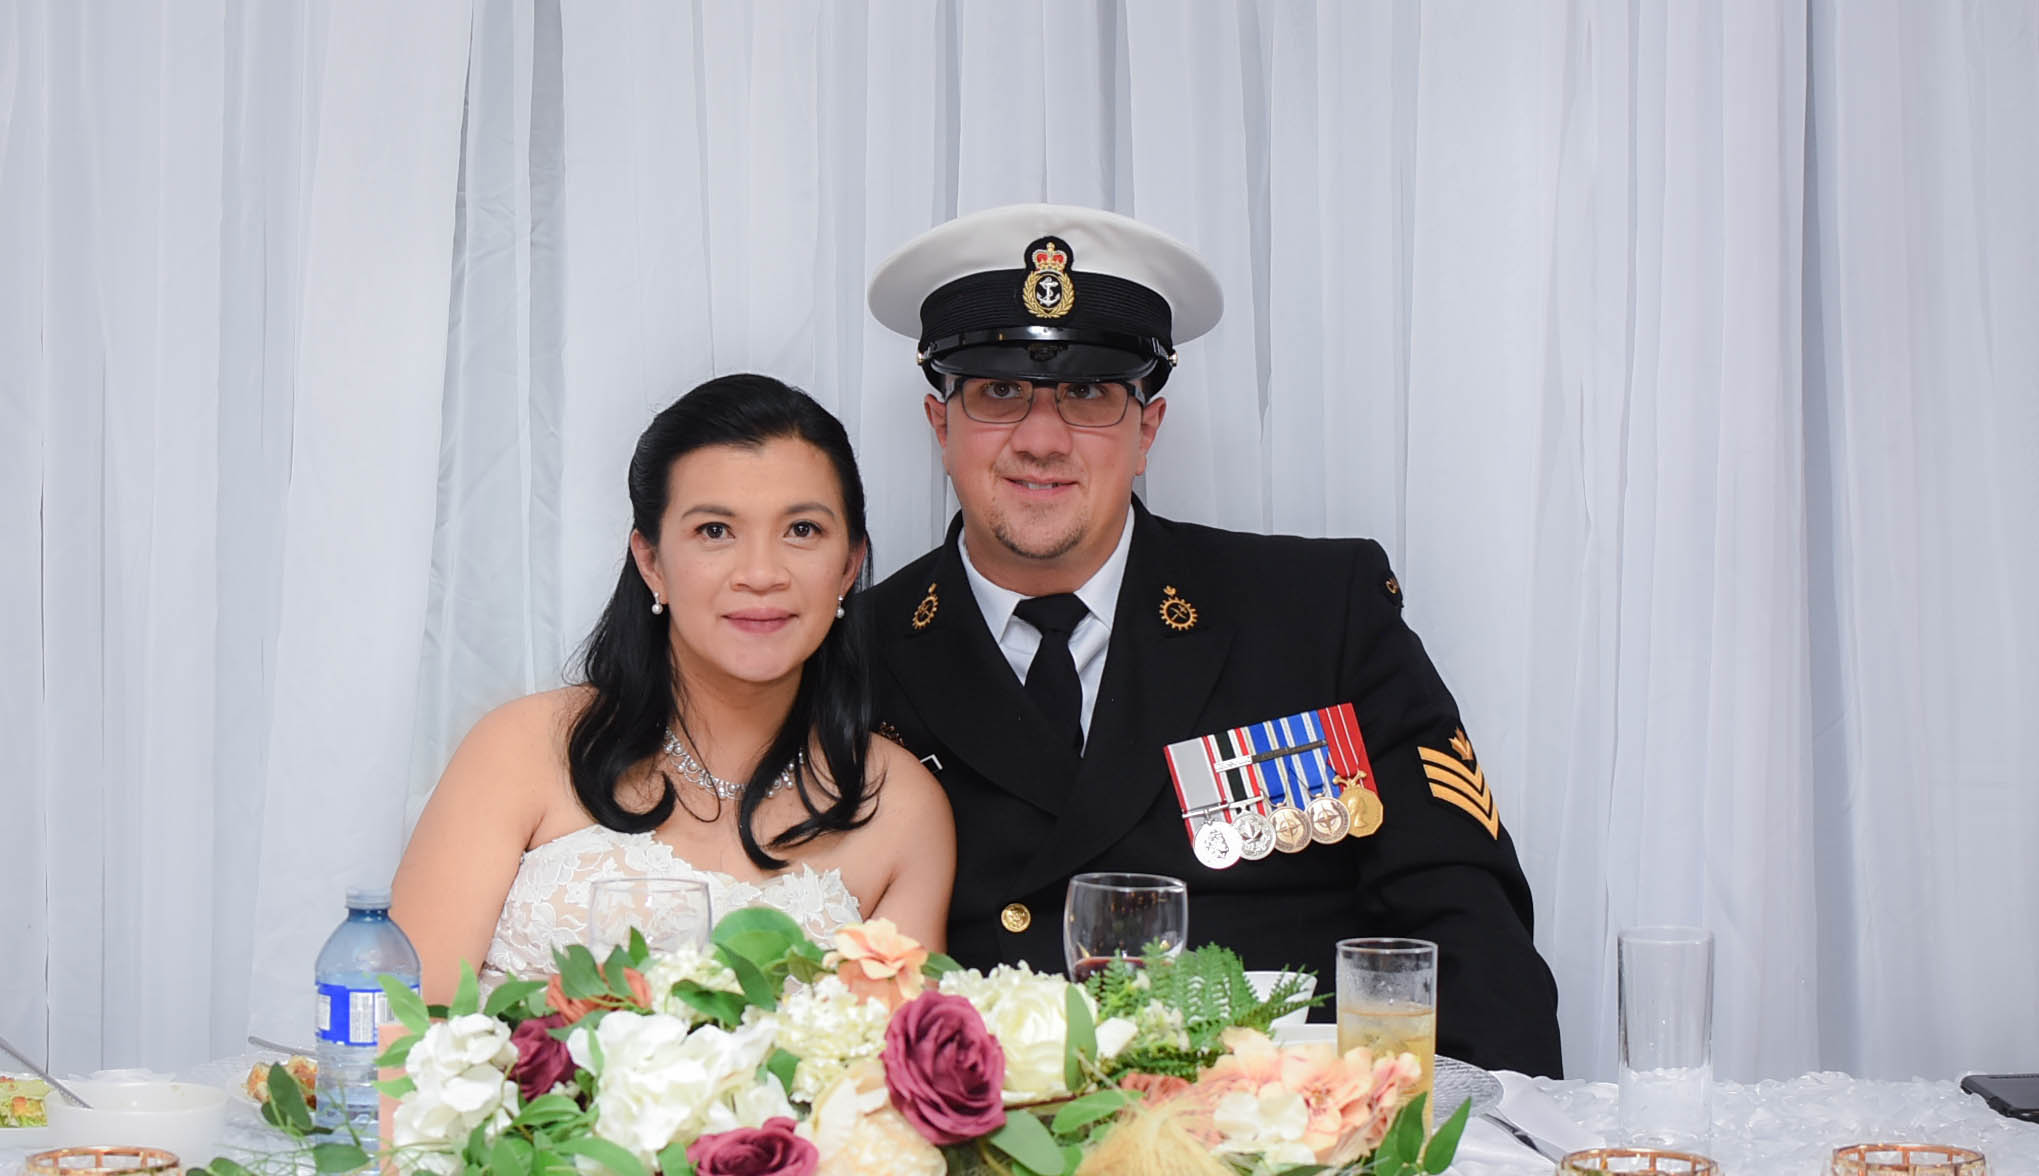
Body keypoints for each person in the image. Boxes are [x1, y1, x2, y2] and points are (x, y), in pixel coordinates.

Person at [861, 205, 1561, 1076]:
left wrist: (1468, 1145)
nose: (1040, 440)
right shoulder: (858, 652)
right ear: (940, 426)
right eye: (997, 393)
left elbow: (1465, 929)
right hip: (990, 1135)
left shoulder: (1314, 614)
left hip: (1282, 1134)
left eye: (1089, 393)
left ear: (1147, 430)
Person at [391, 373, 954, 1003]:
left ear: (849, 565)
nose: (761, 574)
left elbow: (905, 1060)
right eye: (715, 530)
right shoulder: (521, 748)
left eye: (802, 530)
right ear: (651, 561)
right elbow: (397, 1032)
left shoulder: (900, 807)